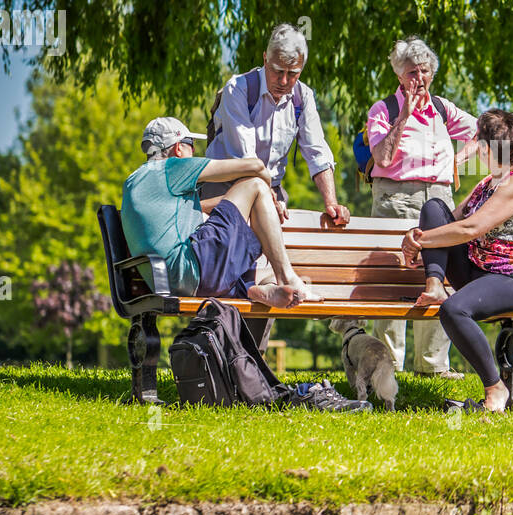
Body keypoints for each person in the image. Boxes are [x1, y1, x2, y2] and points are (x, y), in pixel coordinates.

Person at [121, 117, 366, 412]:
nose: (194, 150)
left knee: (243, 212)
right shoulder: (173, 168)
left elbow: (202, 208)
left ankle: (255, 289)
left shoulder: (138, 182)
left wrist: (252, 203)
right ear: (176, 149)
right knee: (252, 185)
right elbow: (255, 167)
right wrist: (267, 193)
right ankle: (288, 279)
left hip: (166, 279)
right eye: (191, 145)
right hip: (192, 269)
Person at [204, 22, 349, 349]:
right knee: (226, 271)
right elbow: (247, 157)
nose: (284, 81)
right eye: (278, 71)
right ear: (264, 59)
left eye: (293, 73)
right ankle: (215, 352)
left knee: (265, 275)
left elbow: (317, 151)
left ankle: (253, 356)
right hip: (223, 187)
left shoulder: (303, 97)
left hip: (270, 187)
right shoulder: (238, 89)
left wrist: (331, 201)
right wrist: (264, 196)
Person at [400, 110, 513, 412]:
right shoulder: (486, 184)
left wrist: (420, 241)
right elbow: (448, 225)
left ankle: (496, 389)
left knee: (453, 311)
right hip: (479, 271)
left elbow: (470, 229)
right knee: (434, 208)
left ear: (488, 148)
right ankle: (435, 285)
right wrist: (418, 235)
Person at [366, 35, 479, 379]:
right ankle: (388, 368)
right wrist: (405, 114)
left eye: (425, 71)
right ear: (399, 76)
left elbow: (484, 131)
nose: (420, 78)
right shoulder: (383, 110)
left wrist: (457, 161)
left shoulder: (444, 109)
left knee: (438, 277)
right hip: (396, 198)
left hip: (439, 199)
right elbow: (382, 157)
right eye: (412, 72)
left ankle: (432, 366)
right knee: (394, 279)